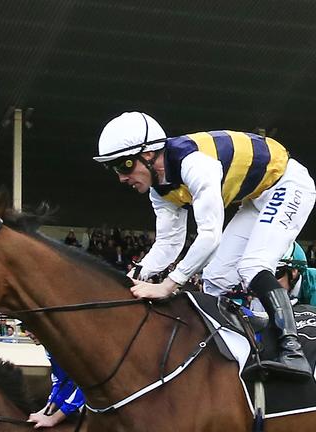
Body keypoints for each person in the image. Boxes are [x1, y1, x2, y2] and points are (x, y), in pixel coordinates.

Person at [94, 111, 316, 377]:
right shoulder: (160, 190)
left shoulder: (195, 164)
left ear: (149, 155)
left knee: (253, 265)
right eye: (114, 169)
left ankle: (293, 352)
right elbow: (167, 245)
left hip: (288, 184)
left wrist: (168, 285)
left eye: (124, 165)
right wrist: (132, 277)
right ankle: (235, 348)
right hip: (257, 196)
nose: (121, 177)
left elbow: (210, 237)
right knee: (215, 277)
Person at [28, 348, 84, 428]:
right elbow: (63, 381)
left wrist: (54, 418)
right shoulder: (49, 348)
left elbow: (92, 385)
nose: (26, 334)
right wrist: (47, 409)